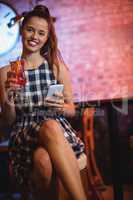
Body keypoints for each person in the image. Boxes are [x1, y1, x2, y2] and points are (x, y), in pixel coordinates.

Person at [0, 5, 87, 200]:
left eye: (41, 33)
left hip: (56, 132)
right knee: (47, 131)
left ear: (47, 37)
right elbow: (7, 121)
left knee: (43, 157)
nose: (34, 36)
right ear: (22, 30)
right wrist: (9, 99)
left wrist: (61, 107)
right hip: (24, 136)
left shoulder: (57, 68)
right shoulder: (6, 72)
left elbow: (72, 110)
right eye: (30, 29)